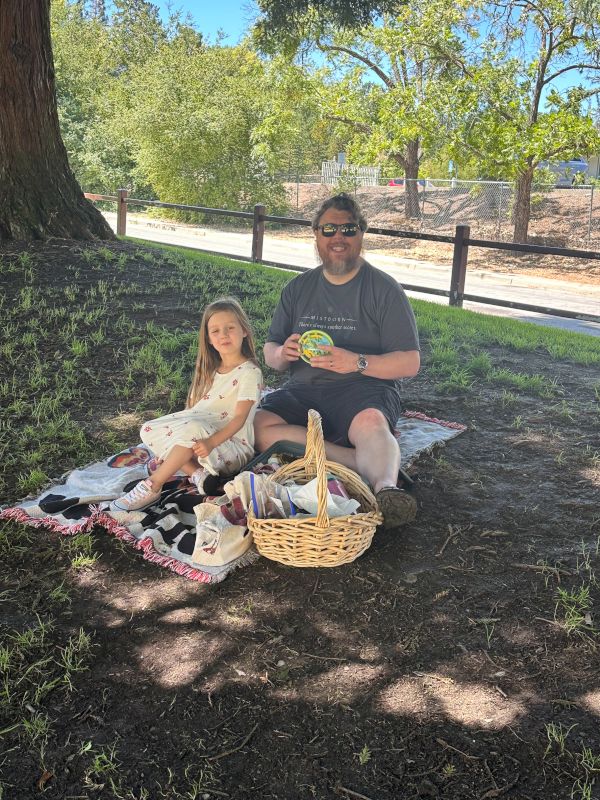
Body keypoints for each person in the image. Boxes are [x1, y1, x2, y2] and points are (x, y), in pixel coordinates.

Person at [254, 193, 420, 529]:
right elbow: (271, 351)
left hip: (363, 391)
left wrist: (356, 362)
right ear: (316, 234)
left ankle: (386, 490)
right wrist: (282, 353)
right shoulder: (297, 289)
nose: (338, 238)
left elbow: (409, 363)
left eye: (348, 229)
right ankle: (359, 462)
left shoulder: (384, 289)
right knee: (256, 427)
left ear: (361, 234)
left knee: (372, 424)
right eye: (329, 229)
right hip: (303, 391)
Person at [110, 298, 262, 512]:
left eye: (230, 328)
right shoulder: (211, 371)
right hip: (201, 439)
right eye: (215, 331)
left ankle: (153, 486)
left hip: (232, 448)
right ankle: (197, 474)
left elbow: (239, 419)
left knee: (190, 430)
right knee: (149, 429)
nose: (223, 335)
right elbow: (194, 412)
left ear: (244, 331)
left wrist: (210, 443)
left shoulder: (250, 372)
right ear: (208, 339)